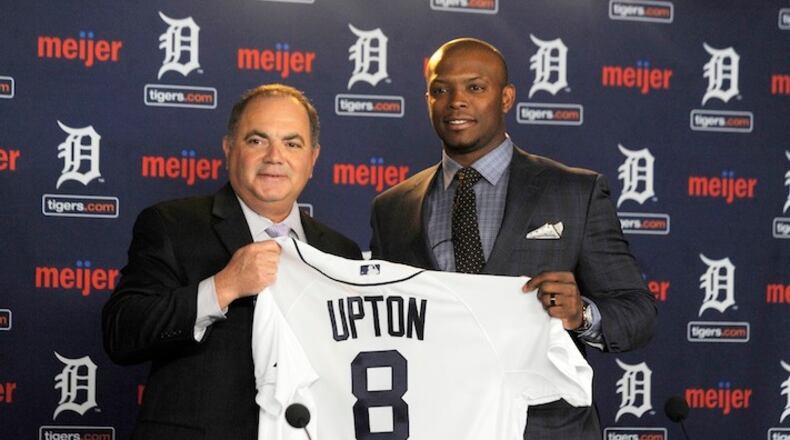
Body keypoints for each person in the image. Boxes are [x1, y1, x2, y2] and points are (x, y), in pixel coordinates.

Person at [369, 38, 657, 439]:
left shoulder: (575, 192)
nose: (456, 102)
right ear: (428, 99)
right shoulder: (392, 207)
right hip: (435, 426)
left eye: (475, 87)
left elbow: (638, 314)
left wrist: (581, 314)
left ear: (506, 98)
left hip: (545, 430)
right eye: (441, 90)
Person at [103, 83, 362, 440]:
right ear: (229, 149)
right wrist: (223, 286)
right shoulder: (171, 225)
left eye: (292, 143)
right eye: (257, 140)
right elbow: (122, 333)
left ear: (312, 159)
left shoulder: (341, 252)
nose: (275, 156)